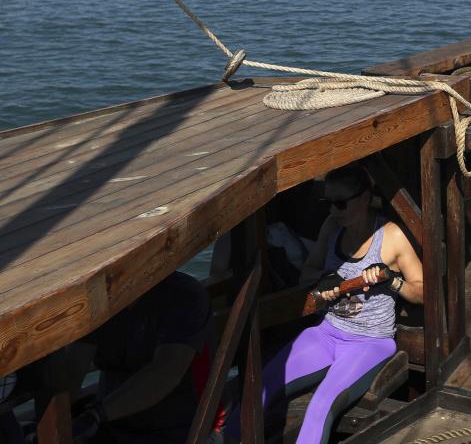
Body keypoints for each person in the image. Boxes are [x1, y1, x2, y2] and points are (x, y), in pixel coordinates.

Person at [224, 163, 424, 444]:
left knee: (320, 406)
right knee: (259, 390)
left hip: (369, 343)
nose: (333, 211)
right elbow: (308, 272)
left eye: (341, 204)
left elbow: (422, 290)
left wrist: (391, 280)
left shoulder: (390, 236)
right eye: (328, 203)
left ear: (365, 198)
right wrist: (325, 279)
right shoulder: (331, 228)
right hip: (325, 333)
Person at [69, 271, 216, 443]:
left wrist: (97, 414)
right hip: (110, 426)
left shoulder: (184, 295)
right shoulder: (100, 299)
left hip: (180, 429)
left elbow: (166, 372)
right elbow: (72, 370)